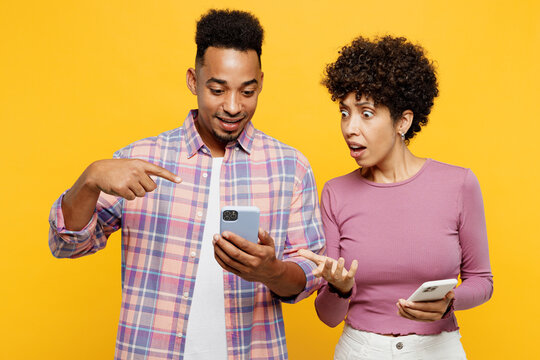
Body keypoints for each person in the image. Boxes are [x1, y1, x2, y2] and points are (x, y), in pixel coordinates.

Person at [48, 9, 325, 360]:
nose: (233, 106)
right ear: (194, 81)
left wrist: (271, 271)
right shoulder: (140, 158)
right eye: (217, 89)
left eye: (247, 91)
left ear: (261, 84)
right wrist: (88, 180)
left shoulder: (290, 167)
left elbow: (310, 274)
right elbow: (66, 245)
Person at [299, 36, 493, 359]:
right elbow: (328, 316)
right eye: (345, 113)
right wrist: (339, 288)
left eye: (366, 113)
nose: (350, 128)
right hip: (360, 350)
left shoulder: (459, 185)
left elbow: (482, 281)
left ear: (403, 121)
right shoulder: (335, 193)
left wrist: (450, 302)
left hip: (437, 350)